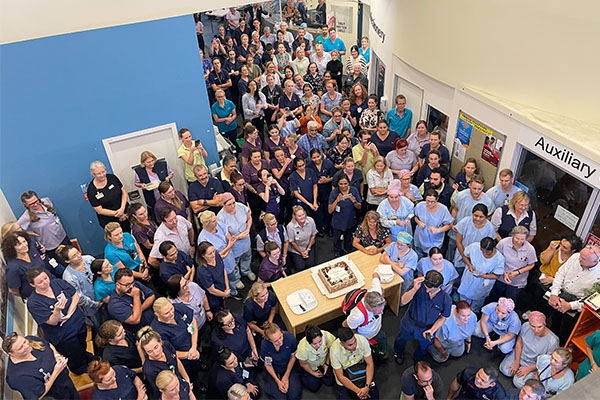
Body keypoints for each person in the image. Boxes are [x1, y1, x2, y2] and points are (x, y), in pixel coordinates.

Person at [26, 268, 94, 374]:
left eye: (46, 278)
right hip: (62, 335)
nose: (45, 282)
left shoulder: (57, 283)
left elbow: (75, 296)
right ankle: (79, 369)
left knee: (82, 344)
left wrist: (69, 314)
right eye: (40, 282)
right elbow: (52, 321)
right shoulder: (34, 303)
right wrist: (57, 310)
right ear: (32, 285)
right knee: (73, 354)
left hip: (77, 322)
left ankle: (86, 357)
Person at [394, 271, 452, 364]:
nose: (427, 291)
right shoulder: (418, 286)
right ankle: (399, 354)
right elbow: (403, 301)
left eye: (431, 289)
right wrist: (414, 289)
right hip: (410, 322)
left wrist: (433, 330)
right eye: (426, 287)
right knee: (401, 339)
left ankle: (418, 359)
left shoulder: (446, 299)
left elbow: (443, 317)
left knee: (424, 346)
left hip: (428, 328)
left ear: (440, 285)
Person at [547, 244, 600, 344]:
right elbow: (561, 273)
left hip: (576, 303)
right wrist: (554, 294)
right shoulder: (576, 257)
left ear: (595, 261)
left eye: (583, 259)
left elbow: (594, 299)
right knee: (553, 322)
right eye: (580, 256)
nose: (579, 259)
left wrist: (570, 306)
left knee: (565, 331)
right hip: (560, 295)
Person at [3, 333, 79, 400]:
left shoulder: (31, 339)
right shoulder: (17, 377)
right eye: (21, 348)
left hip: (65, 383)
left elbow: (49, 345)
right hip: (53, 396)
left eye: (24, 341)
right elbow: (38, 395)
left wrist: (56, 356)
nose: (26, 346)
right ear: (11, 354)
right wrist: (56, 371)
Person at [499, 311, 559, 388]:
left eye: (539, 327)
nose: (536, 330)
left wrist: (529, 369)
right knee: (505, 370)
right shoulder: (525, 326)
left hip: (533, 364)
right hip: (520, 355)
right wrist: (516, 361)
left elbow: (548, 362)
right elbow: (519, 343)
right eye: (533, 326)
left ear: (545, 324)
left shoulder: (553, 341)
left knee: (518, 382)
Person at [151, 298, 208, 378]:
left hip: (193, 346)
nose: (171, 313)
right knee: (190, 375)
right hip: (182, 358)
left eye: (171, 308)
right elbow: (167, 351)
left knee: (197, 365)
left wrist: (194, 347)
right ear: (157, 314)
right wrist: (190, 354)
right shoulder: (158, 331)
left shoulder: (178, 308)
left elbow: (193, 322)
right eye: (167, 313)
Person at [526, 234, 582, 314]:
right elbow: (543, 261)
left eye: (565, 248)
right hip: (544, 275)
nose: (561, 248)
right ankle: (531, 310)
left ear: (573, 250)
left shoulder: (576, 259)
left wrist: (553, 280)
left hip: (558, 283)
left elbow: (571, 278)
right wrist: (552, 250)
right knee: (537, 294)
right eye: (561, 245)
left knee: (548, 302)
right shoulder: (556, 246)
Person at [18, 190, 70, 270]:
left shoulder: (46, 201)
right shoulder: (26, 217)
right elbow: (15, 231)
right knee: (66, 267)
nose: (35, 204)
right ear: (26, 205)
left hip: (62, 237)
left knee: (72, 258)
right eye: (31, 204)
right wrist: (29, 233)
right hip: (51, 246)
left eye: (36, 201)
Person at [448, 175, 494, 262]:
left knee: (467, 256)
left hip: (473, 234)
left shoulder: (487, 202)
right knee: (451, 251)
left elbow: (488, 217)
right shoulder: (461, 196)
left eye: (479, 189)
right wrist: (452, 222)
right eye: (474, 188)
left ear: (483, 187)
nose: (476, 191)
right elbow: (455, 209)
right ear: (469, 185)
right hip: (457, 230)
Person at [138, 326, 196, 396]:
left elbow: (176, 360)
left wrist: (186, 379)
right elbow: (161, 391)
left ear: (160, 342)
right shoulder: (149, 370)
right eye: (150, 351)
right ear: (145, 352)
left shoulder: (166, 345)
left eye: (156, 347)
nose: (155, 353)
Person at [343, 272, 389, 358]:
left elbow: (375, 274)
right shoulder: (357, 316)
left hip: (377, 330)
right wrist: (360, 339)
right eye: (378, 312)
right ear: (369, 308)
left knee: (383, 346)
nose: (382, 313)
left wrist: (381, 287)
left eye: (382, 309)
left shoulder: (376, 292)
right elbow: (345, 324)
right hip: (365, 337)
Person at [488, 226, 537, 303]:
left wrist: (517, 272)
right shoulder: (503, 243)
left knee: (509, 303)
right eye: (517, 238)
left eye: (522, 239)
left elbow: (531, 265)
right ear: (512, 235)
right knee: (493, 299)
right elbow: (496, 259)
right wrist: (504, 272)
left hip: (517, 282)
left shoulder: (530, 249)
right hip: (500, 277)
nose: (519, 241)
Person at [58, 244, 101, 329]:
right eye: (74, 256)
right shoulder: (69, 277)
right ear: (67, 261)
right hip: (91, 306)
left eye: (78, 252)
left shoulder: (89, 259)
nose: (79, 256)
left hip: (102, 294)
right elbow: (79, 297)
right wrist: (96, 304)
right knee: (99, 324)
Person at [457, 237, 505, 312]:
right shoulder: (474, 247)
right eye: (482, 251)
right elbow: (464, 255)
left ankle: (474, 312)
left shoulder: (499, 259)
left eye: (487, 252)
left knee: (475, 305)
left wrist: (482, 275)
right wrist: (469, 265)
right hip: (469, 278)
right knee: (463, 301)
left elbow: (497, 275)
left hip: (482, 284)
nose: (484, 253)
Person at [330, 327, 379, 400]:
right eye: (350, 345)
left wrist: (367, 387)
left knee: (375, 397)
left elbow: (370, 364)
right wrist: (359, 392)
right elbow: (340, 376)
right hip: (345, 376)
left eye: (355, 341)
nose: (354, 346)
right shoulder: (334, 351)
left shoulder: (362, 340)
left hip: (362, 371)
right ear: (342, 344)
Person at [3, 231, 55, 298]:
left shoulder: (31, 250)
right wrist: (31, 297)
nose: (24, 245)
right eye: (19, 244)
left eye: (24, 241)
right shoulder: (13, 267)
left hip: (51, 283)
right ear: (11, 248)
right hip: (38, 295)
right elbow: (13, 290)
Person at [218, 193, 255, 283]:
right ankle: (237, 279)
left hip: (245, 238)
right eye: (229, 204)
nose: (233, 206)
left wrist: (248, 229)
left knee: (247, 255)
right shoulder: (220, 217)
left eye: (233, 202)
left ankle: (246, 271)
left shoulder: (240, 207)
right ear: (223, 205)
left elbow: (249, 218)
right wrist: (238, 237)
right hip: (233, 243)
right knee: (234, 261)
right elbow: (224, 235)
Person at [454, 204, 496, 281]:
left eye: (481, 217)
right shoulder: (465, 222)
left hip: (477, 259)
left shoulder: (489, 228)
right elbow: (458, 241)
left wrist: (471, 262)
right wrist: (464, 257)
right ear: (472, 214)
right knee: (458, 276)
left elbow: (488, 246)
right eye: (475, 215)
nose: (478, 219)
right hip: (461, 254)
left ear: (486, 217)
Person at [259, 322, 302, 400]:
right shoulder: (265, 345)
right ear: (269, 340)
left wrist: (286, 376)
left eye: (280, 337)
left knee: (294, 395)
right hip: (273, 369)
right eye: (275, 341)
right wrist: (278, 381)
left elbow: (293, 357)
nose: (280, 342)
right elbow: (268, 364)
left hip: (288, 365)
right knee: (280, 398)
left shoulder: (290, 338)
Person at [107, 268, 156, 333]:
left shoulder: (135, 285)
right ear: (118, 285)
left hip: (154, 318)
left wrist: (139, 308)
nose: (132, 286)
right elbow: (135, 320)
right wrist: (136, 296)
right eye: (127, 284)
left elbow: (152, 295)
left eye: (132, 282)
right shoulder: (114, 304)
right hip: (143, 330)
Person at [87, 160, 130, 232]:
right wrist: (118, 214)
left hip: (124, 213)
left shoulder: (112, 178)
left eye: (103, 172)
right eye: (98, 173)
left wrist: (122, 209)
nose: (102, 175)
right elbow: (99, 210)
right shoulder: (91, 190)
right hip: (110, 221)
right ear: (93, 174)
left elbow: (124, 193)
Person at [413, 190, 453, 258]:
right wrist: (419, 222)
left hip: (434, 240)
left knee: (432, 259)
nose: (429, 204)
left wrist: (438, 230)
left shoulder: (443, 209)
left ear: (437, 199)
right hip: (420, 237)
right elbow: (415, 216)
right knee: (419, 256)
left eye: (432, 202)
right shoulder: (420, 206)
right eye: (428, 201)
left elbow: (449, 225)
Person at [195, 240, 234, 311]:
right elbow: (211, 290)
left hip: (223, 290)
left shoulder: (216, 256)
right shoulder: (203, 271)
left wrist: (227, 288)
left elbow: (223, 270)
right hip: (213, 298)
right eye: (210, 253)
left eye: (213, 251)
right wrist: (224, 294)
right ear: (203, 256)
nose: (213, 254)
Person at [296, 325, 336, 392]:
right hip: (311, 367)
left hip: (324, 362)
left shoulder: (326, 336)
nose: (318, 345)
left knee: (330, 382)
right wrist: (313, 373)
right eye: (314, 344)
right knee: (314, 387)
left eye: (320, 341)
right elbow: (303, 364)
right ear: (309, 342)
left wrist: (326, 364)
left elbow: (331, 348)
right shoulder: (302, 348)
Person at [328, 175, 362, 256]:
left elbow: (359, 207)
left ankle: (348, 250)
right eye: (341, 184)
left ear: (348, 183)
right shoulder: (334, 193)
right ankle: (337, 252)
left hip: (350, 220)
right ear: (338, 184)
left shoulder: (354, 190)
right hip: (338, 221)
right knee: (337, 240)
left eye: (345, 183)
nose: (343, 186)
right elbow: (330, 210)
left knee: (348, 239)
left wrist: (354, 201)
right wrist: (337, 200)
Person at [287, 205, 317, 271]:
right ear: (295, 217)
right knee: (300, 268)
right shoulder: (290, 226)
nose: (302, 217)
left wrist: (308, 249)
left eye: (303, 214)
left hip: (308, 245)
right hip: (296, 249)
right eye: (299, 216)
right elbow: (292, 242)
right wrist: (301, 252)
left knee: (311, 265)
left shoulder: (310, 220)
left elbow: (313, 235)